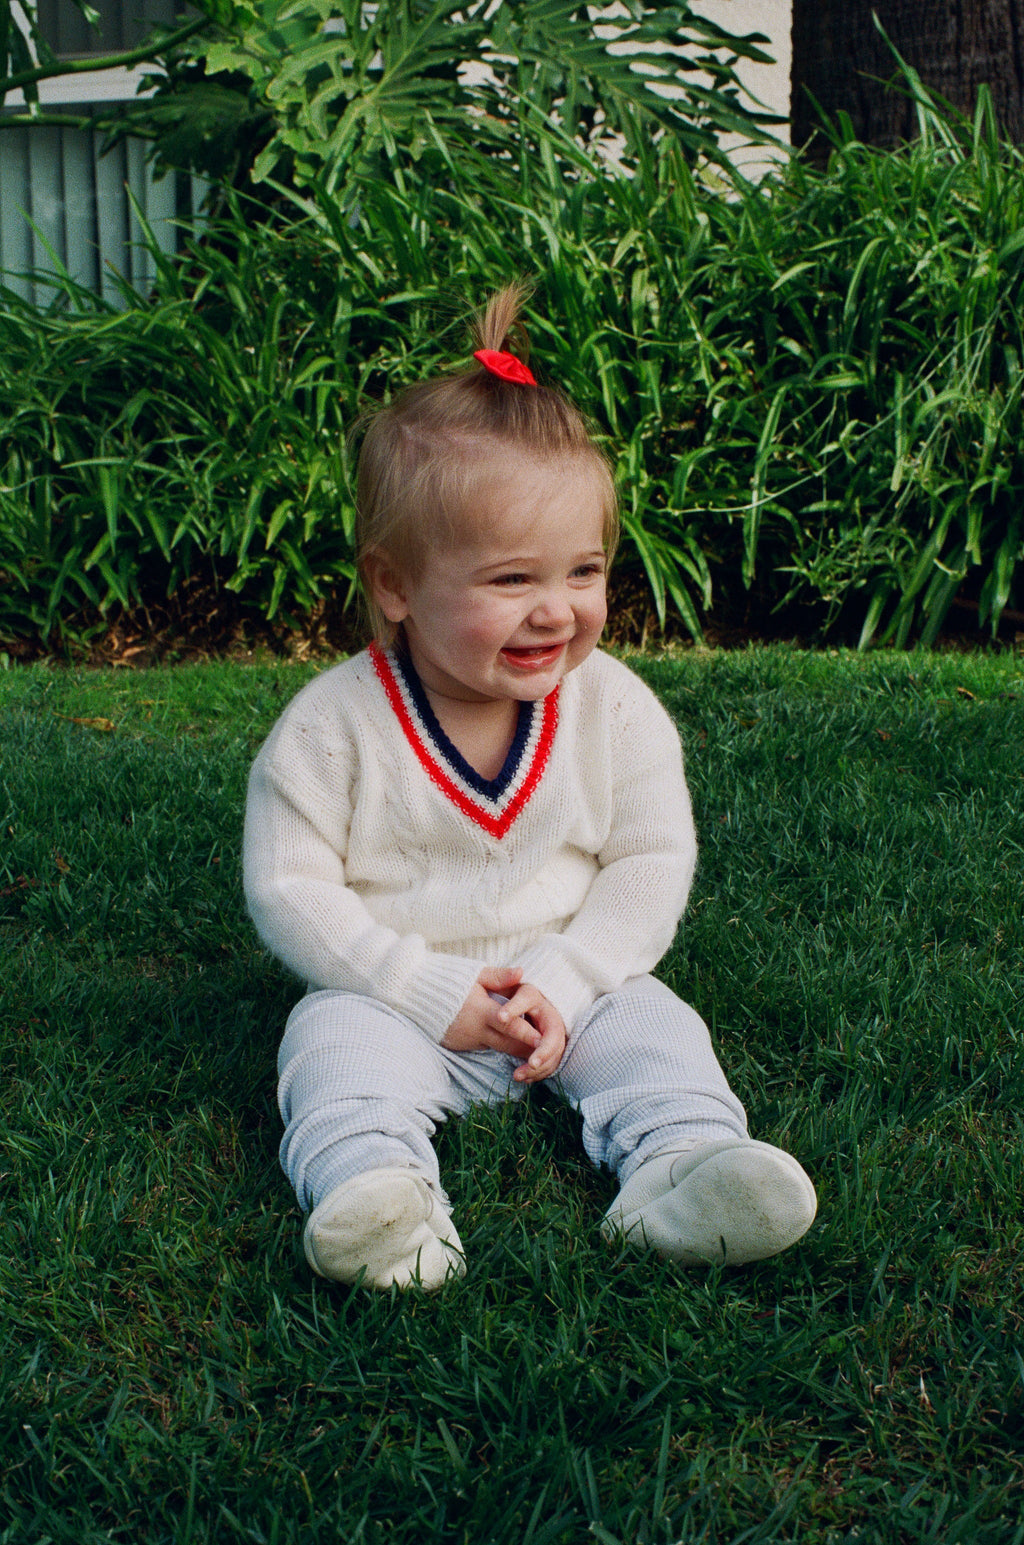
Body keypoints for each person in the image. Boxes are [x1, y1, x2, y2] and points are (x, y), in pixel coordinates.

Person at [243, 284, 816, 1291]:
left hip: (572, 992)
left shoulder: (614, 709)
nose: (557, 611)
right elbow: (292, 890)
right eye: (510, 581)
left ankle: (682, 1167)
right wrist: (423, 989)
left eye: (584, 571)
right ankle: (380, 1196)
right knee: (327, 1043)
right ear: (396, 586)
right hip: (401, 998)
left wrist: (568, 977)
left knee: (656, 1029)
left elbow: (648, 860)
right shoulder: (332, 729)